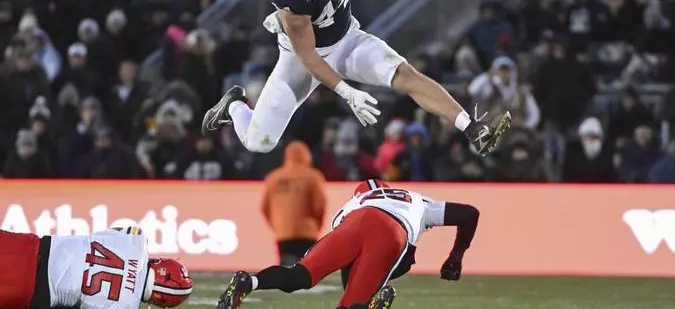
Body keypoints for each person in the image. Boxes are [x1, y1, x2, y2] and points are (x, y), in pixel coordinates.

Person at [201, 0, 510, 157]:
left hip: (347, 39)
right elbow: (309, 57)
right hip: (302, 57)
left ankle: (470, 127)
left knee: (405, 75)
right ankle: (234, 105)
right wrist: (347, 92)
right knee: (260, 141)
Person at [215, 179, 480, 309]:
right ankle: (373, 299)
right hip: (395, 230)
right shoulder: (416, 200)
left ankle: (248, 282)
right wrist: (456, 256)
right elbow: (470, 214)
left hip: (352, 223)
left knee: (299, 275)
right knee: (357, 299)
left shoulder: (352, 204)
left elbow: (349, 263)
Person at [0, 226, 193, 309]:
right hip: (29, 291)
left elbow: (118, 230)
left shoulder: (137, 242)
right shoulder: (124, 306)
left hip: (29, 247)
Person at [262, 141, 327, 266]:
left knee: (285, 273)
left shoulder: (273, 178)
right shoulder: (313, 177)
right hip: (307, 232)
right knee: (308, 271)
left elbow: (264, 208)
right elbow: (320, 205)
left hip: (283, 233)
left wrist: (277, 226)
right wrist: (317, 226)